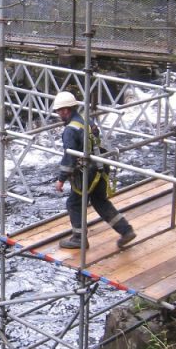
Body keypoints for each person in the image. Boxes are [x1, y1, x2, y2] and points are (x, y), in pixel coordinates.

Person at [52, 90, 136, 250]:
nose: (58, 115)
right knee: (99, 200)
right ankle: (126, 230)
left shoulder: (70, 130)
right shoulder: (86, 120)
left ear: (65, 110)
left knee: (74, 203)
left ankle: (79, 238)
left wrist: (61, 179)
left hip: (86, 170)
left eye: (58, 112)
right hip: (100, 165)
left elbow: (69, 156)